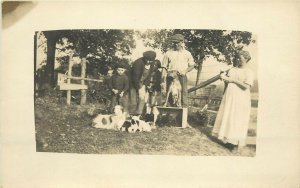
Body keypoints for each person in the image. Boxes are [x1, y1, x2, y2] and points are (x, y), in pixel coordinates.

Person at [212, 50, 254, 151]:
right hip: (230, 97)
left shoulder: (249, 72)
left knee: (237, 118)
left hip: (241, 98)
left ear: (246, 59)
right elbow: (227, 82)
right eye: (238, 58)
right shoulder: (232, 69)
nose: (238, 59)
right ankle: (227, 139)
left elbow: (246, 86)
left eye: (241, 58)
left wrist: (232, 80)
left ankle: (234, 142)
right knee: (228, 116)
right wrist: (224, 78)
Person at [162, 34, 195, 107]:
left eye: (177, 42)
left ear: (182, 42)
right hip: (171, 75)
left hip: (181, 76)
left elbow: (192, 65)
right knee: (169, 93)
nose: (176, 44)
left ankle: (183, 113)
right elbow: (164, 67)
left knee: (183, 93)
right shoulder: (168, 53)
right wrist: (163, 78)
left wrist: (185, 71)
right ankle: (170, 113)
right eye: (174, 42)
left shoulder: (187, 53)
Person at [131, 50, 157, 115]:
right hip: (133, 83)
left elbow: (149, 76)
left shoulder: (152, 63)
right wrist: (139, 89)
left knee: (142, 98)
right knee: (133, 100)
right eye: (147, 60)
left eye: (150, 60)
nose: (148, 62)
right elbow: (135, 77)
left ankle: (139, 115)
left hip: (142, 83)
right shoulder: (138, 63)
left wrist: (144, 86)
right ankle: (131, 115)